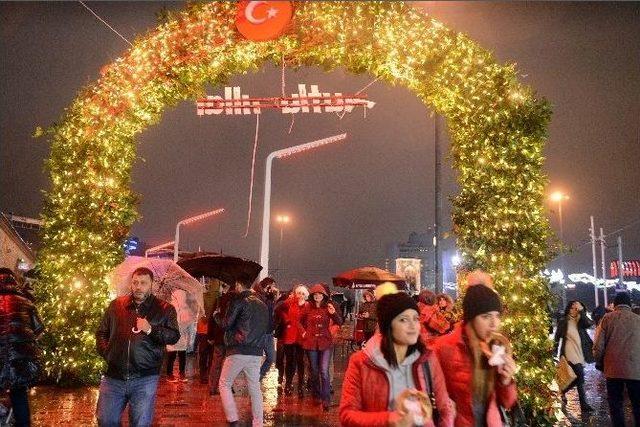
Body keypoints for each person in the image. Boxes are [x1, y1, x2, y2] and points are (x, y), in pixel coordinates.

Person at [340, 291, 455, 426]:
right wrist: (389, 420)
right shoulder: (362, 362)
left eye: (416, 319)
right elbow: (347, 415)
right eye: (404, 320)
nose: (413, 326)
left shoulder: (427, 359)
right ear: (388, 325)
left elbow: (445, 409)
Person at [95, 267, 179, 427]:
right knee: (105, 420)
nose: (138, 287)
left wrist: (150, 329)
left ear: (151, 284)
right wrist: (107, 353)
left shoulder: (165, 309)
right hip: (114, 377)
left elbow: (174, 336)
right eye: (135, 282)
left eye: (143, 283)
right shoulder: (117, 305)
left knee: (140, 423)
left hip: (145, 378)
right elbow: (101, 332)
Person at [433, 271, 518, 426]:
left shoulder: (496, 347)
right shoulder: (444, 348)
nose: (494, 324)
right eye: (485, 317)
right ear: (471, 318)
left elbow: (506, 403)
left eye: (497, 316)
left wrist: (506, 381)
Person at [217, 273, 268, 427]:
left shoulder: (239, 301)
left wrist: (216, 315)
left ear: (238, 285)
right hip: (256, 352)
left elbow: (226, 324)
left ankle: (233, 419)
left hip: (238, 349)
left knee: (224, 383)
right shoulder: (262, 304)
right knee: (254, 387)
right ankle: (258, 422)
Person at [0, 268, 44, 427]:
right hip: (20, 363)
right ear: (13, 280)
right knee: (19, 396)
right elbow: (39, 329)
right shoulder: (26, 301)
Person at [593, 292, 640, 426]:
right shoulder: (638, 320)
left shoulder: (607, 319)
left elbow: (598, 346)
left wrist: (599, 361)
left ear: (615, 304)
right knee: (637, 405)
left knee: (615, 404)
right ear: (629, 304)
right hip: (635, 369)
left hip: (613, 368)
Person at [300, 284, 343, 411]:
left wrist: (333, 313)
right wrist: (303, 332)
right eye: (315, 294)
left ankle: (326, 399)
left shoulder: (328, 307)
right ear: (312, 296)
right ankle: (316, 395)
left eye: (320, 294)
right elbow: (299, 321)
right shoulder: (307, 308)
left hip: (325, 343)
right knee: (314, 370)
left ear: (324, 296)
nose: (317, 296)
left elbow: (339, 322)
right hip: (311, 343)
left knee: (324, 371)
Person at [553, 299, 594, 413]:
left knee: (576, 378)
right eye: (572, 308)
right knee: (580, 377)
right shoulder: (564, 321)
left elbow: (589, 323)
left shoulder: (581, 321)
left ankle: (563, 391)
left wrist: (581, 311)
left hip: (580, 353)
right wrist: (554, 353)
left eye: (576, 308)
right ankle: (584, 404)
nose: (574, 310)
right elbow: (557, 338)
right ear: (568, 309)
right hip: (569, 353)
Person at [207, 280, 235, 395]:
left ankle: (213, 387)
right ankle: (227, 387)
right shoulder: (237, 301)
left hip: (218, 337)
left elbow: (212, 320)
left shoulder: (219, 300)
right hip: (231, 338)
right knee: (229, 364)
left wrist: (210, 335)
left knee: (216, 363)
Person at [282, 284, 309, 397]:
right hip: (289, 336)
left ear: (306, 295)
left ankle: (300, 385)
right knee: (289, 361)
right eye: (299, 293)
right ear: (296, 293)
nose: (300, 295)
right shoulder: (290, 302)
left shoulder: (308, 306)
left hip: (302, 337)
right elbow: (279, 310)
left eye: (303, 293)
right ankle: (288, 384)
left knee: (301, 362)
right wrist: (286, 320)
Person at [253, 277, 279, 381]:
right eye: (273, 286)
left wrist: (272, 299)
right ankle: (254, 379)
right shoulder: (257, 296)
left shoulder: (269, 297)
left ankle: (258, 377)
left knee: (271, 358)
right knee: (255, 358)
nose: (274, 289)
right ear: (268, 286)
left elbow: (271, 313)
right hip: (259, 333)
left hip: (268, 332)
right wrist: (270, 299)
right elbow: (263, 311)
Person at [166, 289, 195, 382]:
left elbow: (190, 325)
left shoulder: (185, 309)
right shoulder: (169, 308)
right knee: (173, 356)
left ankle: (179, 374)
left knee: (180, 356)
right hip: (173, 337)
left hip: (181, 338)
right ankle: (170, 374)